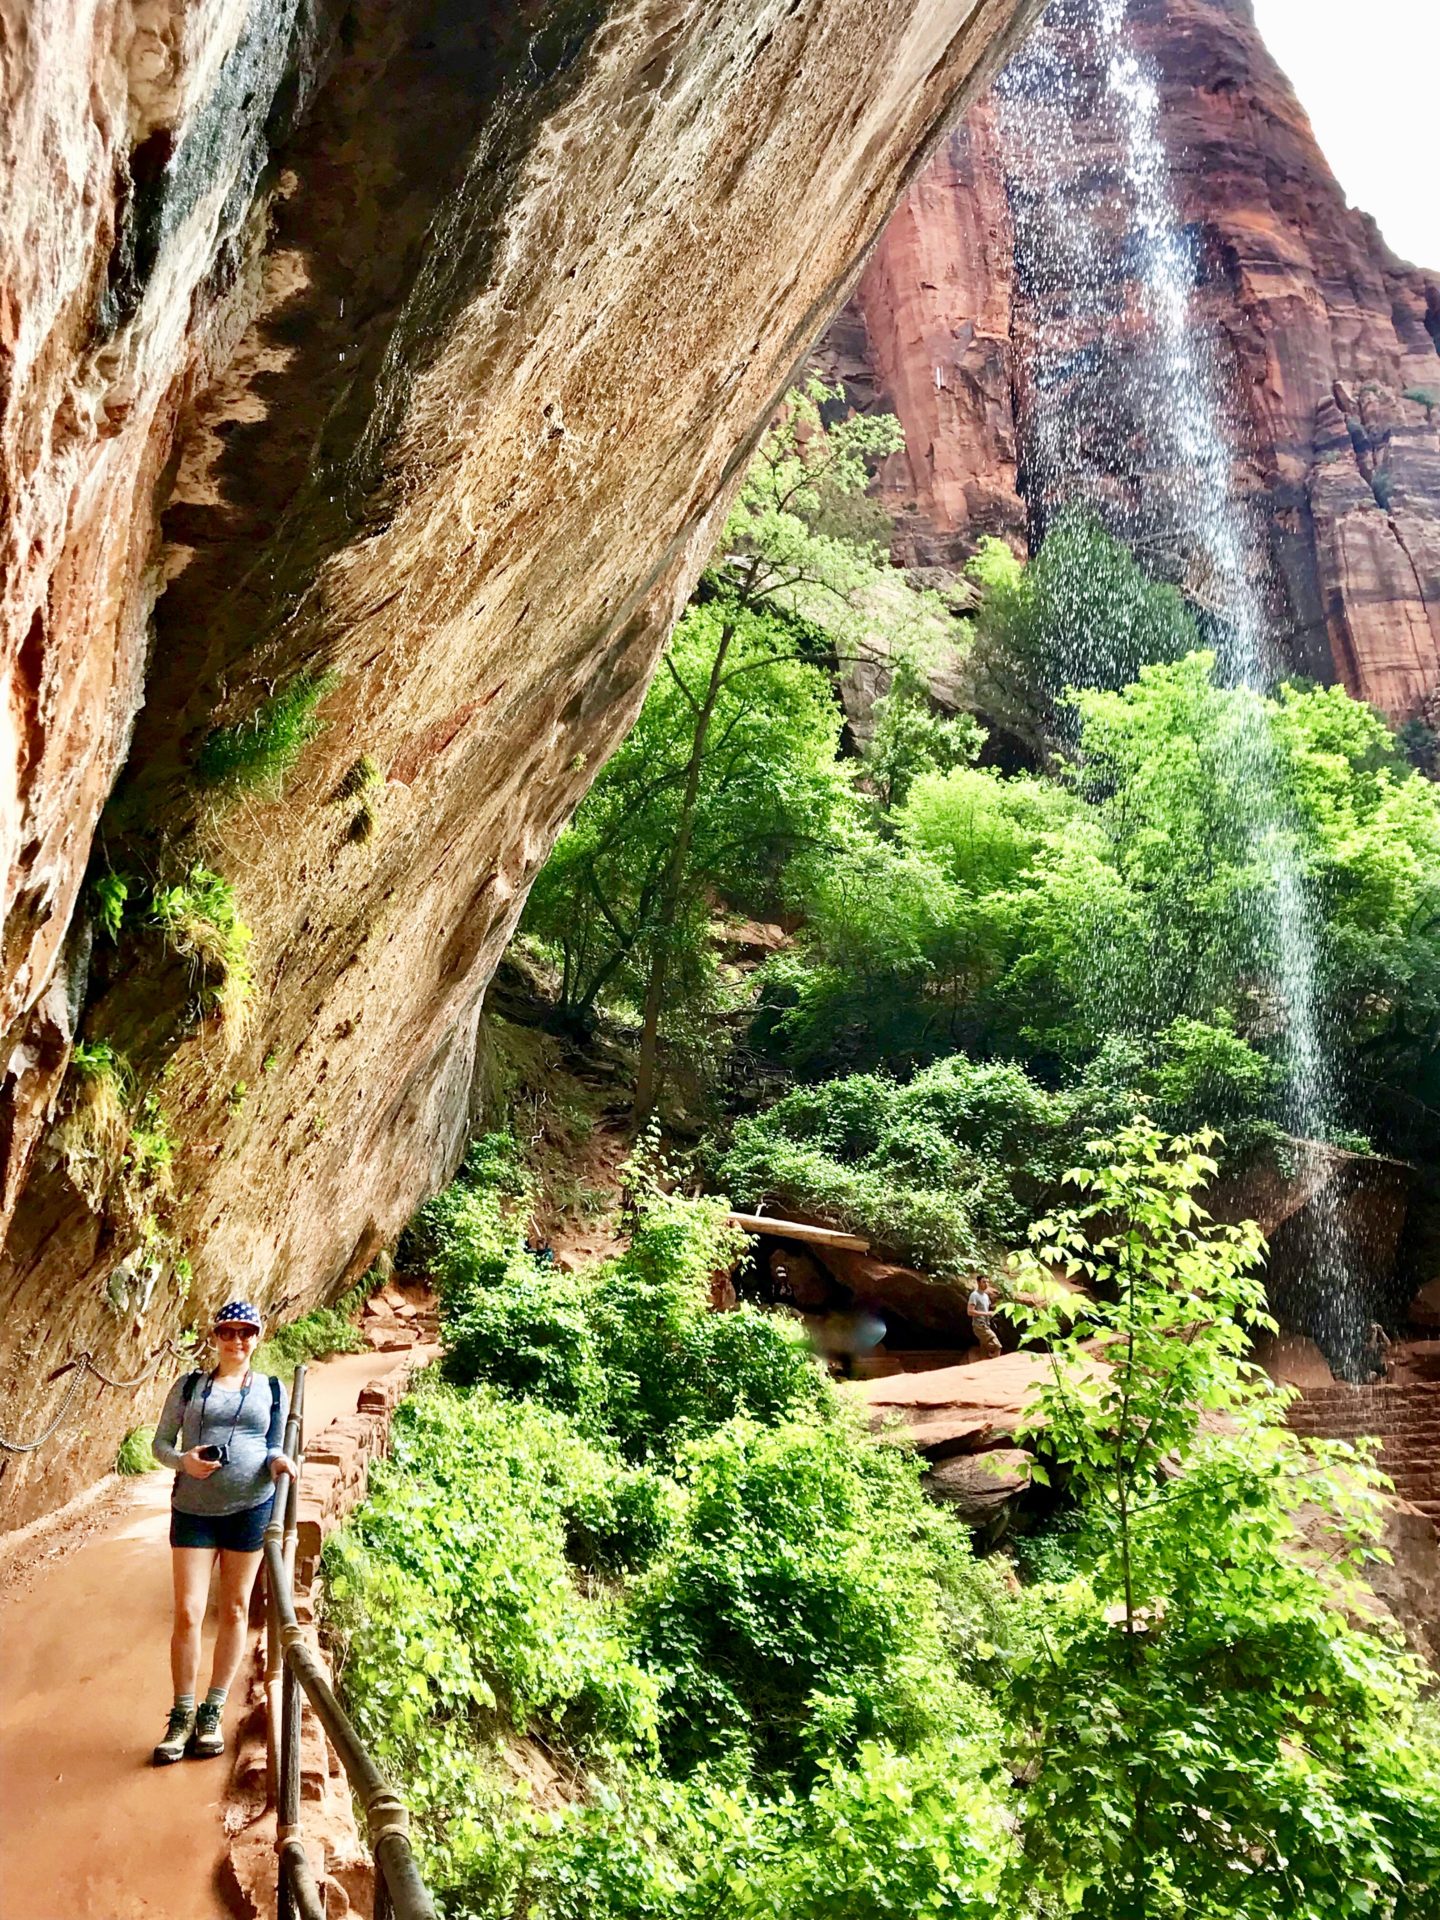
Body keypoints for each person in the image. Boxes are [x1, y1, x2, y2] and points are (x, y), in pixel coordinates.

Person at [149, 1300, 296, 1765]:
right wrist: (184, 1462)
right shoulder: (190, 1386)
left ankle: (212, 1709)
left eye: (245, 1332)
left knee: (234, 1608)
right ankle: (181, 1714)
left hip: (250, 1508)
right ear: (215, 1337)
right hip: (192, 1509)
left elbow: (274, 1443)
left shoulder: (273, 1389)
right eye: (228, 1332)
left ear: (258, 1336)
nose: (237, 1341)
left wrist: (278, 1462)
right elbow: (159, 1445)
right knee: (189, 1613)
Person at [967, 1277, 1002, 1359]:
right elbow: (970, 1312)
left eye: (987, 1282)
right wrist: (986, 1314)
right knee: (997, 1345)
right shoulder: (974, 1295)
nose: (986, 1284)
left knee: (984, 1350)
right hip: (979, 1326)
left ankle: (984, 1366)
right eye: (984, 1282)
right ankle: (996, 1362)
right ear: (978, 1283)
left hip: (986, 1324)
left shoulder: (986, 1296)